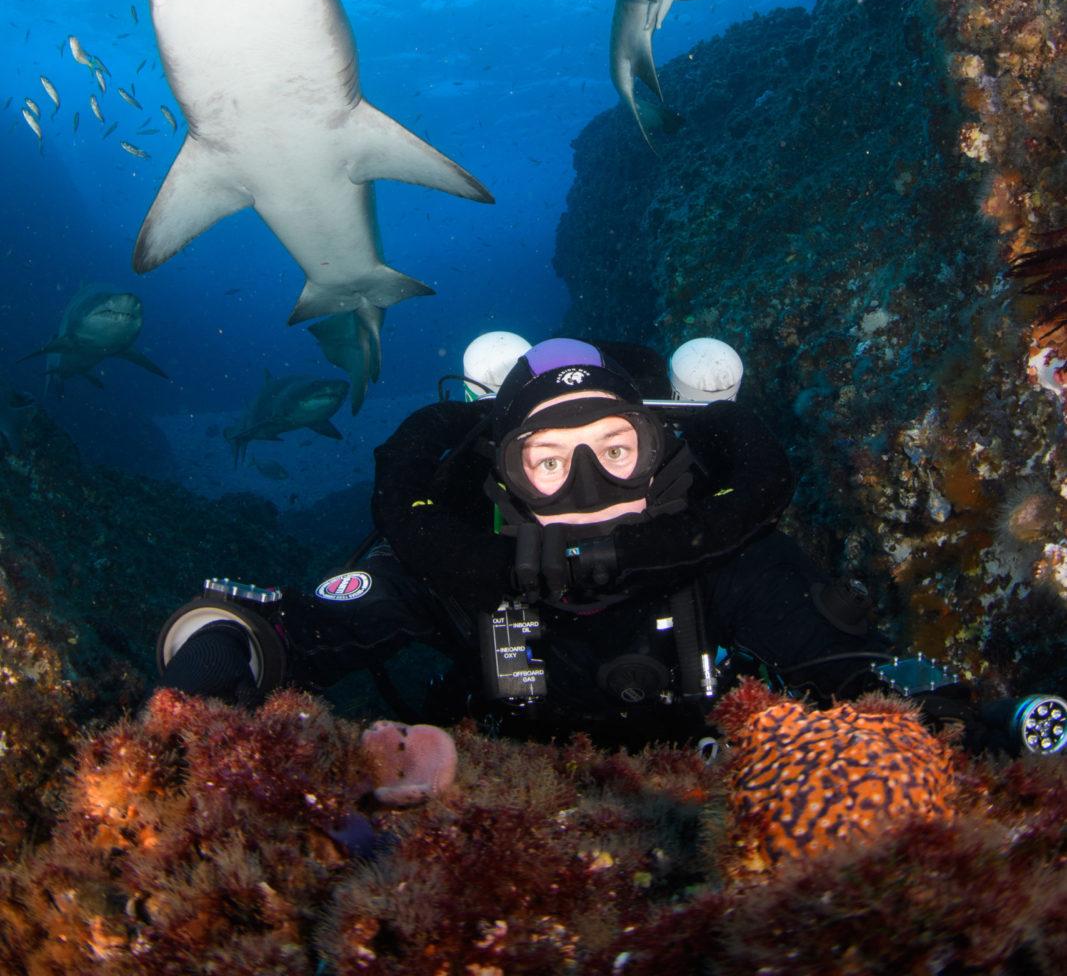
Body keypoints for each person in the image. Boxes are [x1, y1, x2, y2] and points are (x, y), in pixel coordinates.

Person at [157, 337, 1067, 757]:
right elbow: (287, 624)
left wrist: (975, 724)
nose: (586, 491)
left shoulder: (727, 560)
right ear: (501, 479)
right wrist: (219, 646)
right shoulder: (451, 572)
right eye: (548, 462)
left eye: (615, 452)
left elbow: (856, 676)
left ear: (661, 460)